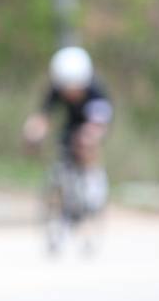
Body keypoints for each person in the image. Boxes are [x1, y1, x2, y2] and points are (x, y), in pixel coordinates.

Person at [22, 46, 114, 211]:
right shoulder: (55, 90)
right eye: (66, 89)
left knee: (86, 141)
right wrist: (33, 133)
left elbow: (99, 123)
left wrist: (88, 136)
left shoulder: (96, 90)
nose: (69, 93)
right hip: (70, 122)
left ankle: (94, 180)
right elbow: (42, 116)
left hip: (91, 121)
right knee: (63, 145)